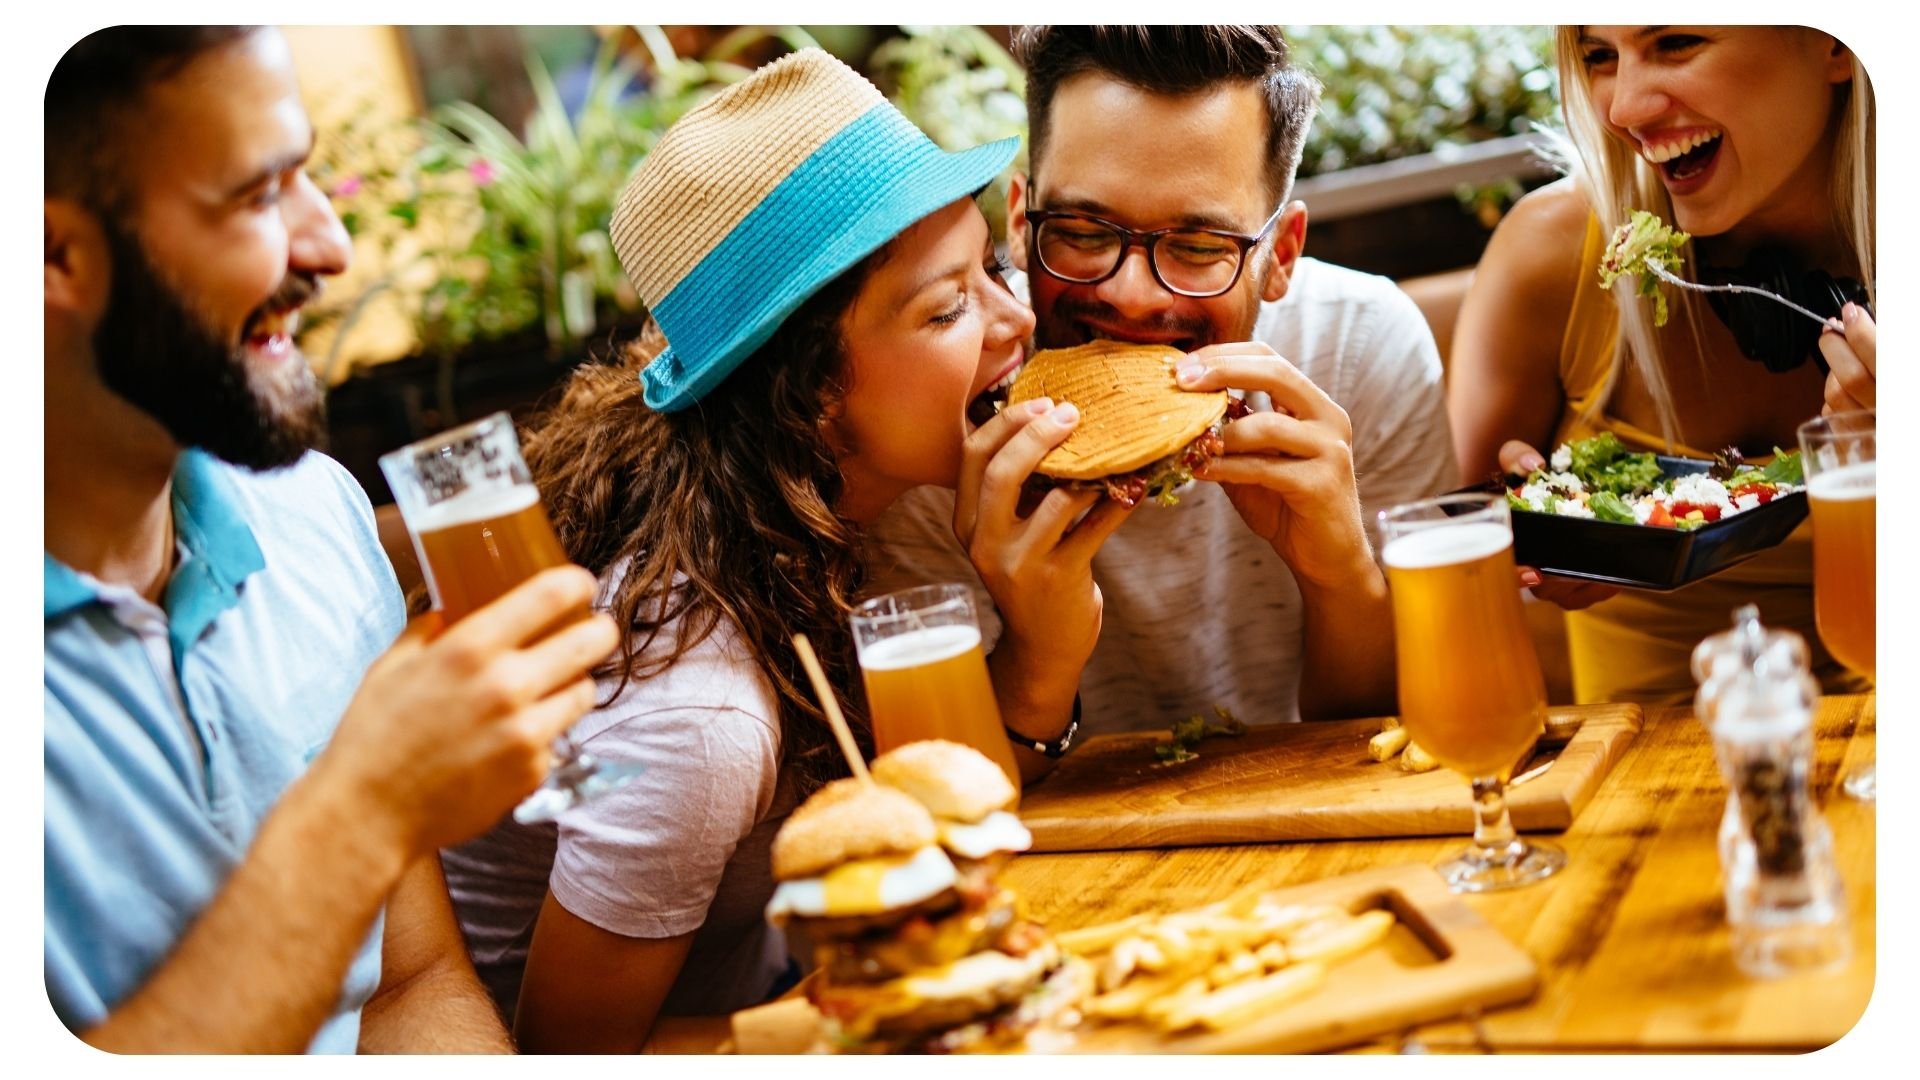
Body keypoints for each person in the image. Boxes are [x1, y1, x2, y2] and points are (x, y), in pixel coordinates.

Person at [437, 48, 1073, 1052]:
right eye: (948, 307)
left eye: (992, 268)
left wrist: (1041, 644)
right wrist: (873, 1022)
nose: (1018, 318)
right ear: (813, 388)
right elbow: (568, 1054)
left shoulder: (790, 529)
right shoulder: (700, 714)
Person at [44, 27, 618, 1052]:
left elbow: (410, 986)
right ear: (55, 257)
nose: (331, 247)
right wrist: (365, 809)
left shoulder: (311, 509)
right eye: (262, 195)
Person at [866, 25, 1458, 746]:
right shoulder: (943, 414)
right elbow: (945, 800)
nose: (1133, 293)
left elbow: (1417, 742)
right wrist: (1038, 655)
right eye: (1083, 232)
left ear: (1282, 255)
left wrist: (1339, 579)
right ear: (1021, 223)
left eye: (1200, 247)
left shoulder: (1359, 349)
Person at [1448, 25, 1875, 703]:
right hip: (1635, 783)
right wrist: (1535, 541)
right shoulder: (1549, 257)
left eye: (1676, 41)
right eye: (1599, 57)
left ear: (1837, 43)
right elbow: (1457, 582)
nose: (1624, 110)